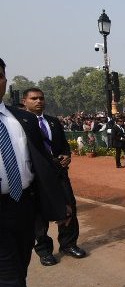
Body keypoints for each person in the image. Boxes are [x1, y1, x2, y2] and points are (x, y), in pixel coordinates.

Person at [0, 57, 69, 287]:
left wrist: (58, 205)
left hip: (23, 206)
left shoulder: (20, 120)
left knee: (18, 279)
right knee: (10, 286)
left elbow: (41, 167)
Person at [22, 88, 87, 266]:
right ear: (24, 101)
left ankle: (68, 244)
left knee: (69, 207)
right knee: (38, 213)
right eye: (33, 98)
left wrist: (67, 156)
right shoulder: (20, 123)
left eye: (41, 98)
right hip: (36, 175)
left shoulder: (53, 122)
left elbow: (63, 145)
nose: (38, 101)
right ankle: (44, 250)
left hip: (58, 173)